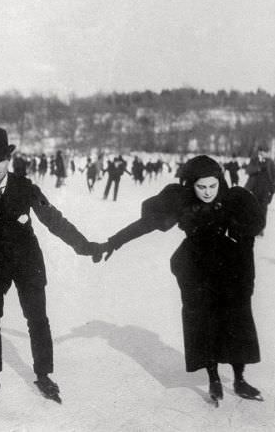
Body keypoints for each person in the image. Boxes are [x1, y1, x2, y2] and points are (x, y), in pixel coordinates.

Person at [0, 127, 103, 408]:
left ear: (9, 159)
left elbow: (52, 218)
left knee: (37, 318)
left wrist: (84, 246)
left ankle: (43, 375)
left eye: (1, 160)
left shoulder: (25, 186)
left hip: (26, 260)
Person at [100, 155, 264, 406]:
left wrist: (245, 271)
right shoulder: (181, 200)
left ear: (220, 182)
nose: (207, 192)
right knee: (202, 320)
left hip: (230, 267)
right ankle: (213, 378)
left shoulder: (235, 200)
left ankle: (240, 379)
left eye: (212, 186)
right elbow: (146, 225)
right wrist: (114, 241)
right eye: (201, 187)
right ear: (191, 185)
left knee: (236, 319)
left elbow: (250, 235)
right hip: (196, 267)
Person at [244, 145, 275, 234]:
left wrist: (273, 188)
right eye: (261, 151)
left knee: (263, 209)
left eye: (264, 152)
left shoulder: (270, 162)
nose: (263, 153)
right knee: (255, 208)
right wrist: (258, 168)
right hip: (255, 188)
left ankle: (261, 228)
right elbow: (248, 170)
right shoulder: (254, 160)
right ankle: (255, 227)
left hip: (266, 189)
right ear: (259, 152)